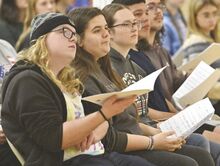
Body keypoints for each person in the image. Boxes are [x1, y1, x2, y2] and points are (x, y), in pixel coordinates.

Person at [1, 12, 155, 166]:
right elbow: (54, 139)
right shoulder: (27, 81)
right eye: (65, 32)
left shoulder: (66, 78)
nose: (73, 38)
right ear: (42, 39)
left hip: (91, 154)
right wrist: (103, 114)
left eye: (74, 33)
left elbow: (100, 120)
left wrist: (96, 128)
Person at [69, 6, 215, 166]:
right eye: (97, 30)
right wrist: (152, 141)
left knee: (200, 152)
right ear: (79, 40)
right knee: (192, 159)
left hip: (140, 135)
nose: (106, 34)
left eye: (105, 28)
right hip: (123, 146)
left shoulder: (106, 69)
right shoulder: (83, 78)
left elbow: (130, 118)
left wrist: (157, 132)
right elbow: (111, 136)